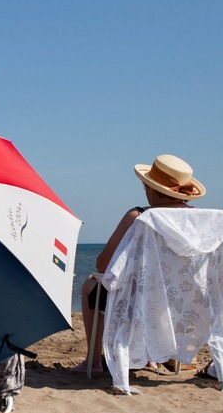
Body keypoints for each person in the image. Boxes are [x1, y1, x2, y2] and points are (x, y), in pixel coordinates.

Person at [71, 154, 206, 374]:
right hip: (181, 300)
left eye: (146, 187)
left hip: (139, 300)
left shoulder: (139, 217)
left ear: (153, 190)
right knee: (150, 293)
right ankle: (150, 357)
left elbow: (103, 263)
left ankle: (93, 362)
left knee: (90, 286)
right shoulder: (199, 219)